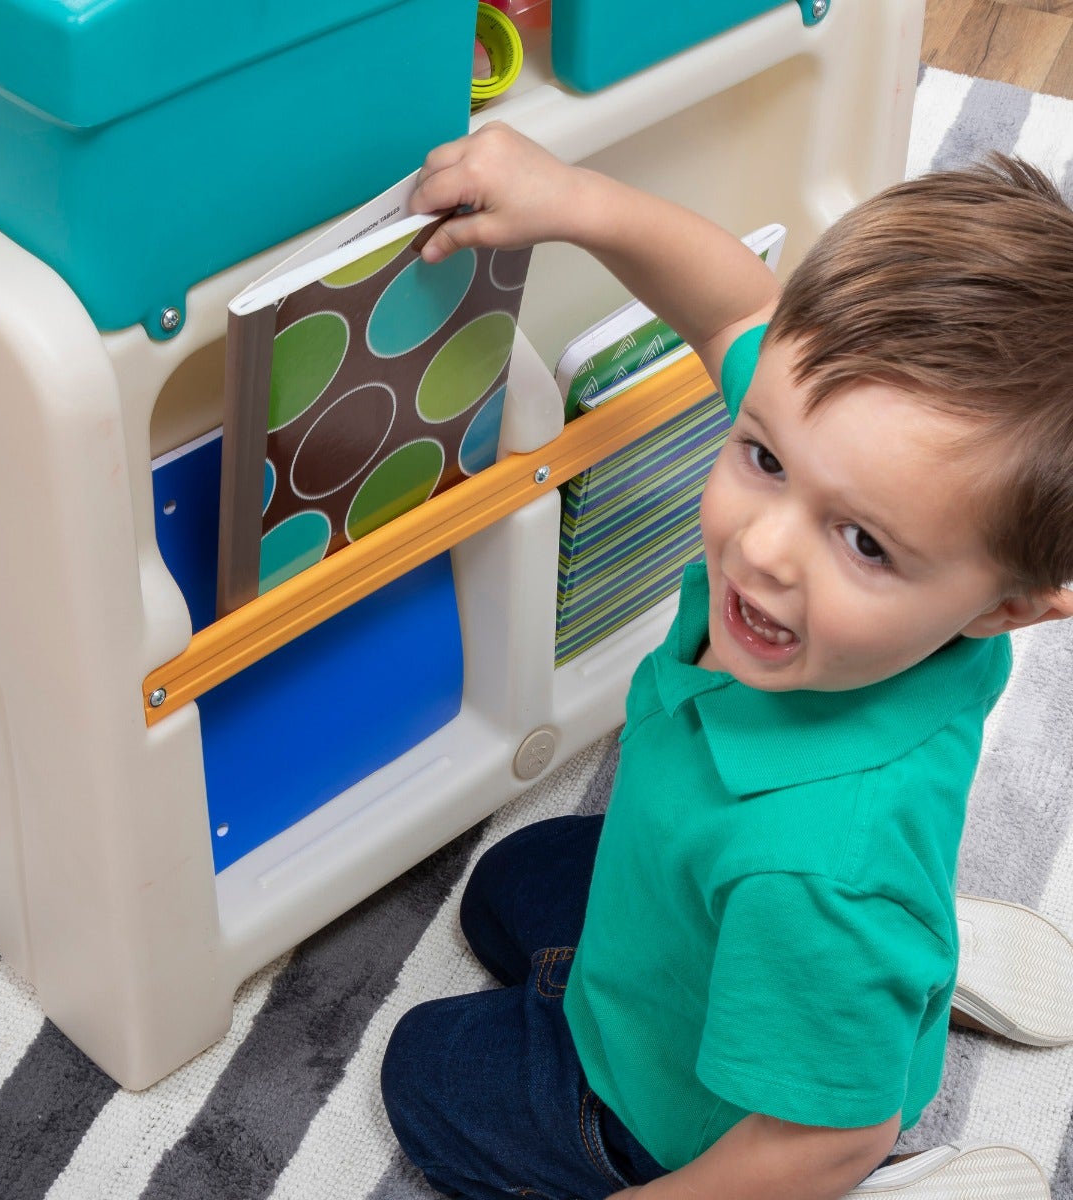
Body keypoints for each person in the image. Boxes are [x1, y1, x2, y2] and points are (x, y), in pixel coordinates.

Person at [379, 122, 1073, 1200]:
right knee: (505, 890)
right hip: (734, 888)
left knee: (424, 1069)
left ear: (1012, 606)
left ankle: (860, 1012)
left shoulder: (819, 869)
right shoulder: (876, 507)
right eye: (761, 457)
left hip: (675, 1121)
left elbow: (821, 1143)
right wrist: (571, 200)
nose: (761, 547)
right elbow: (741, 310)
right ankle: (892, 979)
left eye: (864, 543)